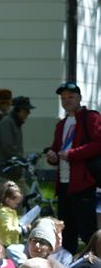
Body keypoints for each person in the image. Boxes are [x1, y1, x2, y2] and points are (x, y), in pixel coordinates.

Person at [45, 81, 101, 255]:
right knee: (66, 231)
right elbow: (56, 148)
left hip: (83, 183)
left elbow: (98, 144)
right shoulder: (61, 124)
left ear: (79, 98)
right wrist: (52, 155)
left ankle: (95, 264)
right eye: (63, 98)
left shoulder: (91, 118)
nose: (66, 100)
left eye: (70, 97)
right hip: (63, 185)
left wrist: (71, 154)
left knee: (87, 231)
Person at [0, 95, 34, 198]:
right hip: (3, 176)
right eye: (27, 111)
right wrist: (22, 160)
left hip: (15, 175)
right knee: (3, 209)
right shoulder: (7, 123)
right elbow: (9, 148)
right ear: (18, 110)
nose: (29, 113)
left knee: (29, 201)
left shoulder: (15, 123)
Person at [0, 181, 25, 247]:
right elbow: (7, 228)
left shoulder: (7, 210)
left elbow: (11, 219)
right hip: (3, 245)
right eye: (16, 203)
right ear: (7, 199)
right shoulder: (4, 212)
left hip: (8, 244)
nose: (16, 206)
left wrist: (20, 218)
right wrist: (21, 230)